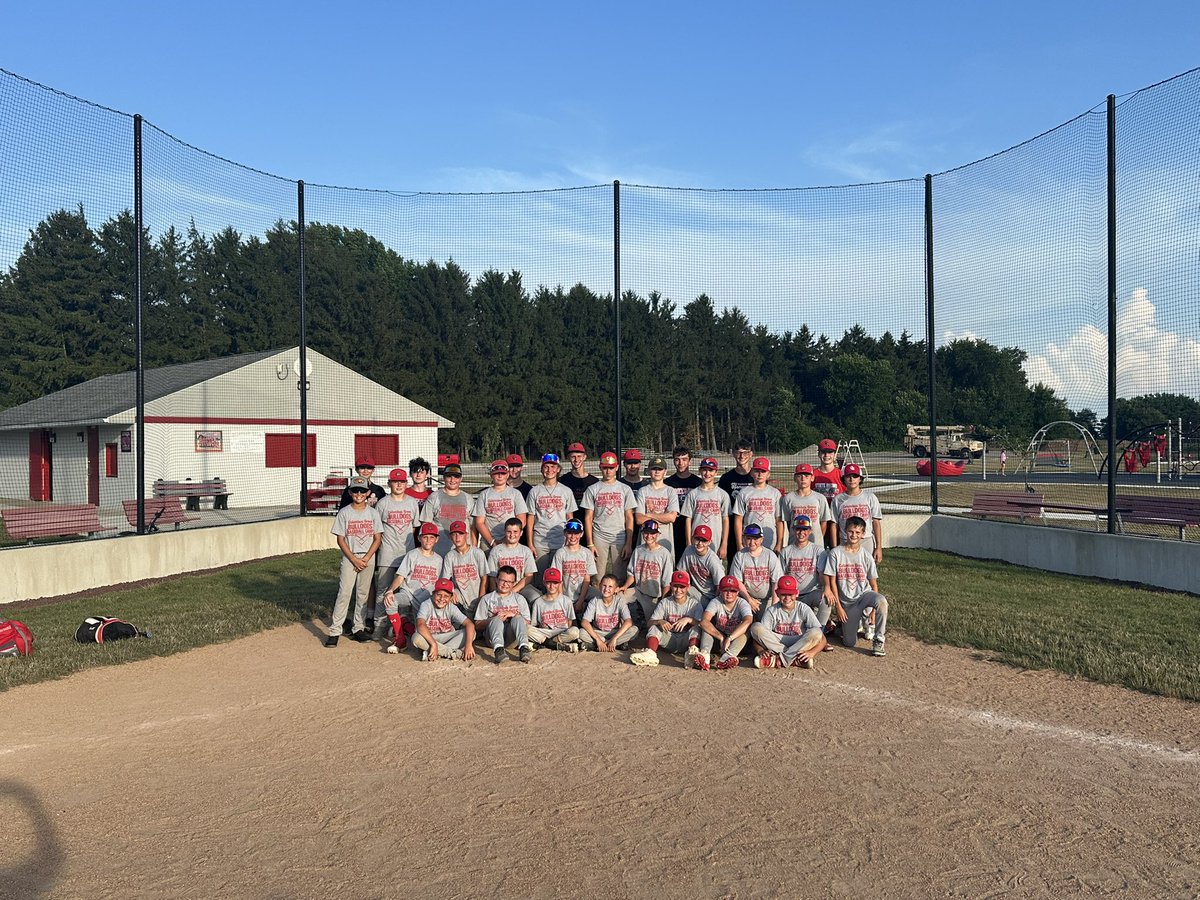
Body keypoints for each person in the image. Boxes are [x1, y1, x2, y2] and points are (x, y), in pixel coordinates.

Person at [325, 475, 382, 647]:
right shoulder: (345, 512)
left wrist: (366, 558)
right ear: (350, 492)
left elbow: (377, 539)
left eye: (362, 491)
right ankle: (335, 630)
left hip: (367, 557)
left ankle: (358, 627)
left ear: (368, 493)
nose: (359, 494)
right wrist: (354, 559)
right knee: (344, 593)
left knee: (363, 594)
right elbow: (340, 539)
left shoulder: (373, 513)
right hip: (350, 557)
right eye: (355, 491)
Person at [823, 516, 889, 657]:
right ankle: (845, 625)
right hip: (848, 603)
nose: (854, 535)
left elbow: (873, 584)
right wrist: (839, 608)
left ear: (863, 534)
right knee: (849, 642)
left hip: (864, 596)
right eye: (851, 531)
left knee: (882, 601)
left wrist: (873, 612)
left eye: (858, 532)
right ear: (845, 531)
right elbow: (832, 582)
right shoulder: (836, 553)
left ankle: (879, 640)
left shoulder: (866, 556)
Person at [370, 468, 421, 632]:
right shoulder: (383, 503)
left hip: (407, 554)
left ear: (406, 483)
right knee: (383, 590)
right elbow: (377, 529)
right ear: (389, 483)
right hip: (387, 554)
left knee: (405, 591)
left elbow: (414, 528)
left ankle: (401, 625)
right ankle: (379, 624)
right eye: (395, 482)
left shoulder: (412, 502)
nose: (398, 485)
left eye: (402, 482)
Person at [380, 521, 443, 649]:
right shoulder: (412, 555)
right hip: (407, 594)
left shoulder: (439, 560)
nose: (428, 540)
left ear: (437, 539)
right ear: (419, 538)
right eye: (425, 537)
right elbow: (400, 577)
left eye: (432, 537)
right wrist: (390, 590)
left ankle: (405, 625)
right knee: (390, 601)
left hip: (426, 601)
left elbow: (440, 585)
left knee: (423, 632)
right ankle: (400, 638)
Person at [580, 452, 636, 584]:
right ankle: (596, 596)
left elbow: (629, 517)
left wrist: (628, 543)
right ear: (600, 467)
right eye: (605, 467)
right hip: (599, 535)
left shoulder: (625, 489)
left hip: (619, 535)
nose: (608, 471)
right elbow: (588, 517)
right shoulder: (593, 489)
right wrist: (590, 543)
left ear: (617, 467)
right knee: (597, 576)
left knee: (619, 577)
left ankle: (618, 597)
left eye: (611, 468)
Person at [629, 570, 704, 668]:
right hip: (670, 639)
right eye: (675, 586)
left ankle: (692, 654)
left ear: (688, 587)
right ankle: (650, 653)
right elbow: (649, 623)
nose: (678, 590)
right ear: (671, 586)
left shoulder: (694, 604)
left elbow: (702, 625)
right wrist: (659, 621)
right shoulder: (665, 602)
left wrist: (689, 619)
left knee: (696, 628)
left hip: (685, 640)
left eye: (682, 587)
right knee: (654, 627)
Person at [749, 575, 826, 669]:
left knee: (816, 632)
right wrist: (760, 651)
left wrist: (812, 653)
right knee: (756, 627)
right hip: (777, 642)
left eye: (790, 594)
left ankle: (777, 660)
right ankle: (795, 659)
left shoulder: (803, 608)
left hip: (799, 641)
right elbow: (758, 637)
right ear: (777, 594)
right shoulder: (772, 610)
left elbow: (822, 638)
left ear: (797, 594)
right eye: (783, 594)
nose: (787, 598)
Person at [525, 452, 578, 583]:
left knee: (558, 577)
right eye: (546, 467)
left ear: (558, 469)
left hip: (560, 540)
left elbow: (570, 517)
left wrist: (569, 540)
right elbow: (530, 518)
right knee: (540, 578)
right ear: (542, 469)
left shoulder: (566, 491)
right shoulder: (535, 491)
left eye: (553, 467)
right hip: (540, 541)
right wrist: (530, 543)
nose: (550, 470)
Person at [777, 515, 830, 627]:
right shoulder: (785, 551)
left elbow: (822, 574)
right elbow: (780, 577)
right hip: (791, 595)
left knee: (826, 599)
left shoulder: (818, 550)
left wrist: (826, 588)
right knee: (796, 628)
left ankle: (820, 630)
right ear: (793, 530)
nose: (801, 533)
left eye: (805, 529)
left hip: (811, 593)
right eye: (798, 529)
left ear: (810, 531)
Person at [473, 565, 534, 664]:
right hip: (492, 639)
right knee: (496, 620)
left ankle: (524, 647)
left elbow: (527, 622)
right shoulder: (487, 599)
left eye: (510, 582)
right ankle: (499, 650)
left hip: (512, 638)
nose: (505, 584)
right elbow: (477, 625)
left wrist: (513, 614)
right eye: (503, 580)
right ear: (496, 580)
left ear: (514, 583)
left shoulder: (519, 599)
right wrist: (493, 619)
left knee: (518, 618)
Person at [619, 520, 674, 627]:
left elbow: (667, 583)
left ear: (657, 534)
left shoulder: (664, 554)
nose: (649, 536)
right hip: (638, 591)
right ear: (642, 533)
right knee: (618, 597)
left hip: (654, 597)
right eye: (646, 533)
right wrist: (625, 586)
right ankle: (620, 627)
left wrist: (663, 601)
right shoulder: (638, 550)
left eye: (652, 533)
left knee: (652, 625)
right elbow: (632, 574)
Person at [409, 578, 477, 661]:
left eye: (446, 596)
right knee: (416, 638)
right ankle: (452, 653)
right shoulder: (426, 605)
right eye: (439, 595)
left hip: (447, 638)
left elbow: (469, 624)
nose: (442, 599)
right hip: (430, 638)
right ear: (433, 594)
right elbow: (420, 625)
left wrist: (469, 645)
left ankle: (435, 652)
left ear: (451, 597)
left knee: (472, 633)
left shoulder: (451, 607)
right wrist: (434, 644)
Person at [697, 575, 753, 671]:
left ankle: (728, 656)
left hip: (736, 640)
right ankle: (705, 655)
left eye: (733, 591)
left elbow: (748, 620)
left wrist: (730, 638)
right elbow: (704, 621)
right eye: (726, 590)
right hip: (720, 639)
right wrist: (721, 638)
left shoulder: (742, 603)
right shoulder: (716, 601)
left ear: (738, 592)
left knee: (747, 630)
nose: (729, 594)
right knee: (706, 628)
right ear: (720, 591)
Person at [831, 464, 883, 564]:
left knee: (866, 570)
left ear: (860, 479)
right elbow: (834, 524)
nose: (852, 479)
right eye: (848, 476)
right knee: (846, 570)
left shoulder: (870, 497)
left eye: (855, 476)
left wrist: (879, 547)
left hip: (865, 540)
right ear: (843, 479)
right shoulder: (838, 499)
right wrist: (834, 547)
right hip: (845, 541)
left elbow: (876, 522)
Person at [681, 457, 732, 560]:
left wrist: (724, 544)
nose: (707, 473)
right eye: (704, 470)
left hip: (715, 541)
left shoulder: (722, 495)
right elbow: (688, 519)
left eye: (711, 470)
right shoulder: (693, 494)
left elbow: (725, 520)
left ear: (716, 472)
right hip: (697, 541)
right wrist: (688, 542)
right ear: (700, 471)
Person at [727, 523, 784, 616]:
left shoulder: (770, 555)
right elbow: (737, 581)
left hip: (767, 600)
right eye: (748, 538)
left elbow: (776, 582)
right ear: (744, 539)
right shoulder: (740, 555)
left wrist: (773, 607)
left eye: (755, 539)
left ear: (762, 539)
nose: (752, 542)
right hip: (746, 598)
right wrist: (749, 600)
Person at [473, 460, 529, 550]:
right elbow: (479, 522)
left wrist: (506, 539)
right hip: (488, 543)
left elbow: (522, 520)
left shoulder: (515, 493)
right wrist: (492, 542)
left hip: (511, 541)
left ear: (507, 475)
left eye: (503, 473)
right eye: (496, 473)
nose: (500, 476)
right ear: (491, 475)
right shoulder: (484, 495)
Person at [731, 456, 784, 552]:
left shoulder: (775, 493)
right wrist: (739, 543)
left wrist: (779, 543)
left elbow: (779, 520)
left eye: (763, 471)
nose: (760, 474)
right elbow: (738, 519)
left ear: (768, 474)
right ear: (751, 472)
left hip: (769, 540)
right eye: (757, 471)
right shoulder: (744, 492)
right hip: (750, 541)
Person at [779, 463, 836, 550]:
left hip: (815, 543)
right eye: (799, 476)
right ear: (794, 478)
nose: (803, 479)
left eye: (806, 476)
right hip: (795, 543)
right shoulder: (788, 498)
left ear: (812, 478)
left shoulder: (820, 498)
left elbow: (823, 522)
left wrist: (818, 538)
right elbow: (788, 522)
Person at [422, 462, 473, 556]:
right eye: (449, 476)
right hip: (439, 552)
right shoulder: (434, 497)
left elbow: (473, 527)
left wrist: (473, 548)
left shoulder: (468, 498)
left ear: (461, 478)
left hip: (462, 553)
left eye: (456, 476)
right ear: (444, 478)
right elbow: (425, 525)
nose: (452, 480)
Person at [578, 574, 638, 652]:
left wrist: (614, 638)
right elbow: (584, 622)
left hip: (614, 632)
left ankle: (603, 644)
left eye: (610, 587)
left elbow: (628, 622)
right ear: (600, 586)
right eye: (604, 586)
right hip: (598, 632)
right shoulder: (594, 601)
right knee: (581, 632)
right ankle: (610, 644)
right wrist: (598, 639)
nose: (606, 589)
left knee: (634, 630)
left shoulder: (620, 601)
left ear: (616, 589)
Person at [526, 568, 581, 652]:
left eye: (555, 583)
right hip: (545, 633)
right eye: (549, 583)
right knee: (526, 629)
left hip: (560, 632)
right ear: (544, 583)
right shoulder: (538, 602)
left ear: (560, 583)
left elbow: (570, 622)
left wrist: (566, 633)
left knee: (575, 631)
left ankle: (549, 644)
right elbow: (534, 624)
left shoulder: (566, 601)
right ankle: (555, 645)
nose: (552, 586)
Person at [550, 519, 597, 617]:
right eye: (570, 533)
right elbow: (558, 579)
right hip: (565, 592)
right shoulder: (560, 553)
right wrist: (562, 600)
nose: (573, 536)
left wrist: (580, 600)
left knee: (601, 597)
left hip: (583, 592)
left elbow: (587, 579)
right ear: (565, 533)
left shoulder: (587, 553)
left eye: (576, 533)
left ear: (581, 534)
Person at [634, 457, 680, 556]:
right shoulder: (643, 491)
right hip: (646, 539)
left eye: (660, 469)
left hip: (664, 539)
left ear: (665, 471)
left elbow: (672, 517)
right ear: (648, 471)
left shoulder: (670, 491)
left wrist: (649, 515)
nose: (657, 472)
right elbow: (639, 519)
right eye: (654, 469)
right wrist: (663, 517)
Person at [440, 520, 488, 615]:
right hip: (460, 599)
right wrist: (451, 592)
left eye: (460, 534)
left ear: (466, 535)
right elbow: (445, 579)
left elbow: (484, 579)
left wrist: (481, 600)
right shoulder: (449, 556)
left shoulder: (477, 553)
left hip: (476, 597)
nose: (457, 537)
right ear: (450, 536)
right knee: (444, 598)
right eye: (454, 534)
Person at [664, 446, 702, 562]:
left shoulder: (698, 482)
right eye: (677, 459)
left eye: (684, 459)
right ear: (673, 461)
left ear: (690, 461)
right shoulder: (667, 483)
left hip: (693, 527)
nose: (681, 463)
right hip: (673, 528)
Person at [487, 517, 539, 600]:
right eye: (509, 532)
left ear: (521, 533)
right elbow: (492, 577)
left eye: (515, 532)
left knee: (535, 597)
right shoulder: (496, 551)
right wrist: (495, 594)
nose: (512, 535)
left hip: (521, 587)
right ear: (505, 532)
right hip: (502, 587)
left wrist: (513, 590)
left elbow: (529, 576)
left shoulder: (526, 551)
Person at [676, 524, 725, 606]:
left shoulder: (712, 560)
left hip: (710, 597)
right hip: (695, 591)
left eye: (704, 541)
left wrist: (713, 606)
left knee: (682, 589)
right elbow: (681, 573)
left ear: (709, 542)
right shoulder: (689, 550)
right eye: (697, 539)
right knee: (678, 586)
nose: (700, 543)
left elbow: (720, 586)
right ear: (692, 538)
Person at [559, 441, 598, 532]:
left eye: (579, 456)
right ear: (569, 458)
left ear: (584, 457)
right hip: (570, 528)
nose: (576, 460)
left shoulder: (594, 482)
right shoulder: (562, 481)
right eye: (573, 457)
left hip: (590, 527)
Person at [718, 439, 755, 504]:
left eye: (745, 453)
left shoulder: (758, 477)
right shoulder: (726, 478)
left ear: (751, 454)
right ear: (734, 454)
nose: (742, 456)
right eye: (738, 452)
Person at [811, 439, 845, 506]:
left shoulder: (841, 474)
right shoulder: (812, 475)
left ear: (834, 455)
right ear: (819, 454)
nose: (826, 455)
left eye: (830, 452)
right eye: (823, 452)